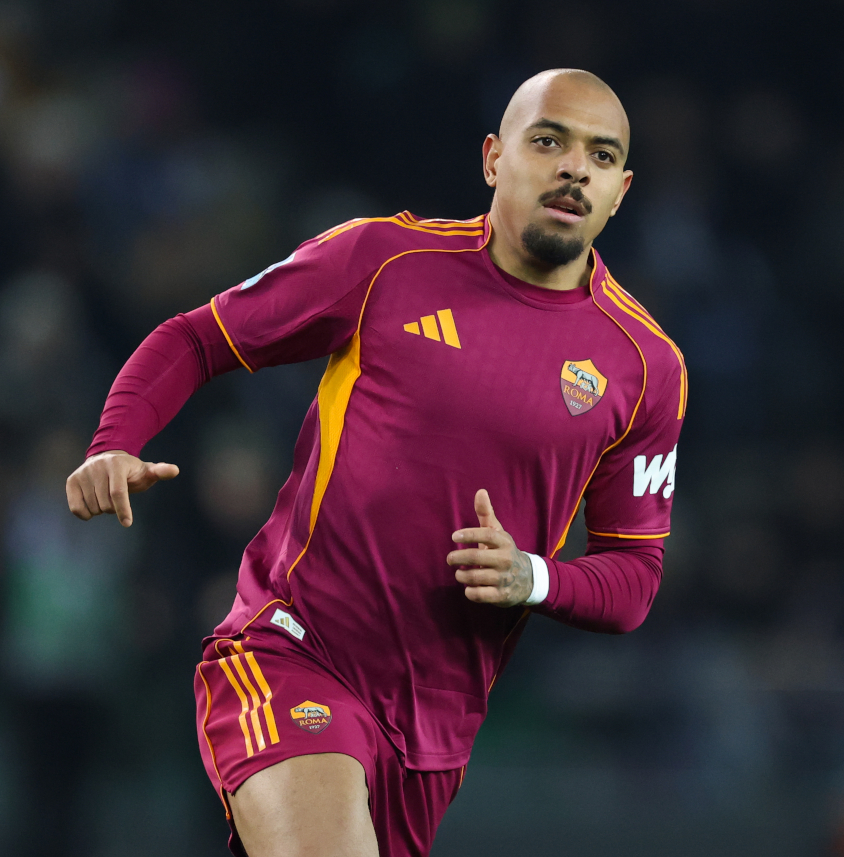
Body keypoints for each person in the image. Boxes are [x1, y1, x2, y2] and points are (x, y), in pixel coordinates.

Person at [66, 68, 687, 857]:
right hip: (291, 648)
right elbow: (196, 338)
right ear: (495, 158)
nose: (573, 167)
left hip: (437, 726)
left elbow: (634, 578)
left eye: (600, 156)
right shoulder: (384, 260)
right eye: (548, 140)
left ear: (620, 189)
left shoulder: (646, 365)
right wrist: (114, 441)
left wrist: (532, 575)